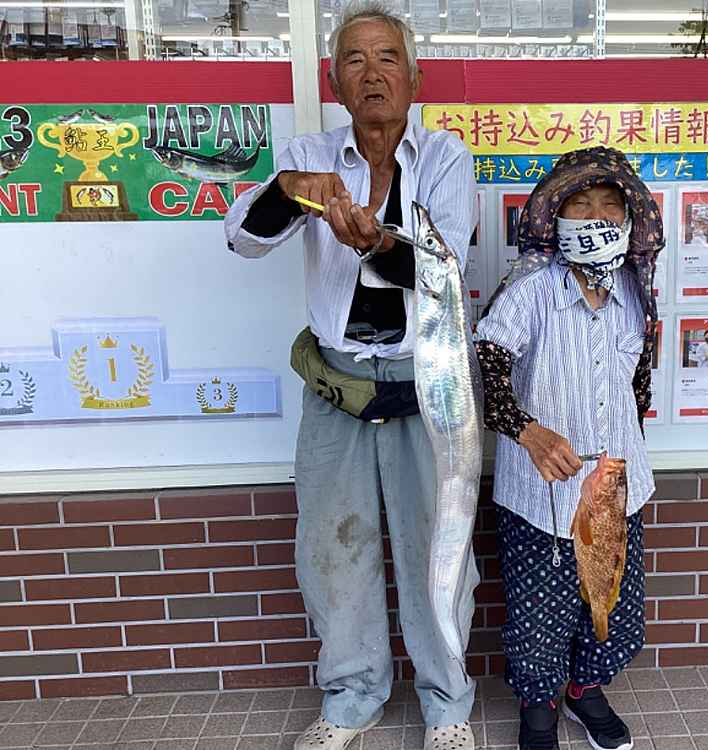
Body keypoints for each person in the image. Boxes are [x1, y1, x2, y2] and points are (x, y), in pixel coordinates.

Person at [223, 3, 478, 749]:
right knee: (333, 550)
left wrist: (375, 244)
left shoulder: (445, 157)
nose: (372, 74)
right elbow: (242, 239)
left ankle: (447, 705)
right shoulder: (310, 154)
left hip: (425, 383)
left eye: (387, 58)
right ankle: (352, 696)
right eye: (354, 61)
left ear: (414, 78)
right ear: (334, 83)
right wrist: (285, 189)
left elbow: (444, 269)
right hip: (336, 383)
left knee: (439, 545)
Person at [473, 147, 662, 750]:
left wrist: (620, 455)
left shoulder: (636, 290)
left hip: (616, 491)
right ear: (554, 215)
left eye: (610, 204)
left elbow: (638, 385)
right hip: (541, 497)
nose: (597, 215)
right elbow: (484, 370)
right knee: (539, 614)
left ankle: (584, 690)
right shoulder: (528, 289)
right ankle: (538, 706)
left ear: (631, 217)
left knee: (612, 604)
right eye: (581, 203)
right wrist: (529, 432)